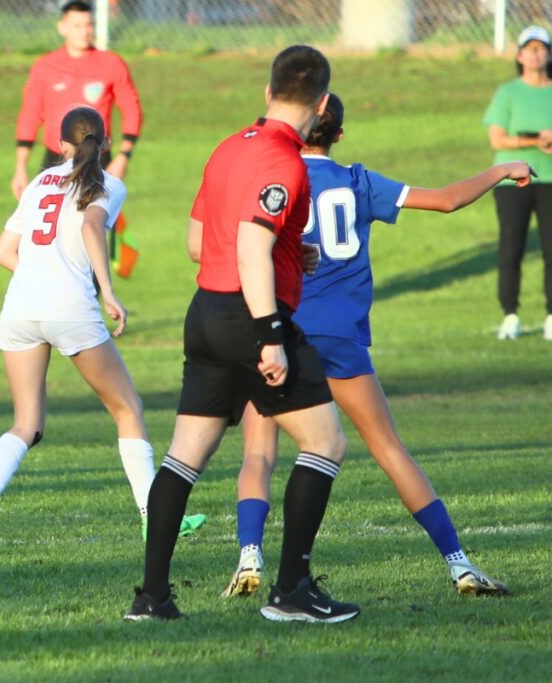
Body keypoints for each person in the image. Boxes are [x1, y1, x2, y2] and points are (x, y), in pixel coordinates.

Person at [221, 94, 528, 600]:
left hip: (281, 332)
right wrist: (502, 169)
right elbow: (448, 200)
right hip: (341, 340)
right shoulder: (357, 182)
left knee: (258, 450)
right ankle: (459, 564)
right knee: (388, 448)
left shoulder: (274, 179)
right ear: (338, 135)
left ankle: (249, 556)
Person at [125, 46, 361, 624]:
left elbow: (197, 242)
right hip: (249, 319)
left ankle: (151, 599)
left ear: (267, 92)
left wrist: (287, 250)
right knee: (326, 442)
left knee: (184, 457)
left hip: (205, 312)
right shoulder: (285, 162)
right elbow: (252, 246)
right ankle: (291, 591)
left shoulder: (229, 147)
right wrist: (271, 334)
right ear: (323, 103)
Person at [0, 107, 205, 548]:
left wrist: (38, 276)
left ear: (60, 144)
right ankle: (155, 519)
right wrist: (106, 290)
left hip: (19, 307)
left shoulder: (37, 183)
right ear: (105, 144)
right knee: (127, 409)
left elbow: (2, 252)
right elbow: (92, 225)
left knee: (27, 423)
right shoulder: (109, 183)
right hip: (69, 308)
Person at [12, 1, 143, 277]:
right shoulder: (45, 67)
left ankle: (90, 295)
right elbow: (30, 114)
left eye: (88, 25)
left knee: (89, 230)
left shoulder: (110, 64)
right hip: (54, 158)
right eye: (77, 25)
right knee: (46, 229)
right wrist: (21, 166)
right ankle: (45, 287)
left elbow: (131, 110)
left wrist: (124, 156)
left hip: (95, 159)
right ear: (62, 27)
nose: (85, 31)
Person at [483, 25, 552, 341]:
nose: (536, 54)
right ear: (520, 55)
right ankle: (510, 314)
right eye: (530, 48)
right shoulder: (508, 93)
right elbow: (498, 138)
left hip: (550, 181)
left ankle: (551, 315)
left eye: (542, 48)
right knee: (512, 248)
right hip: (514, 183)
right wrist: (536, 139)